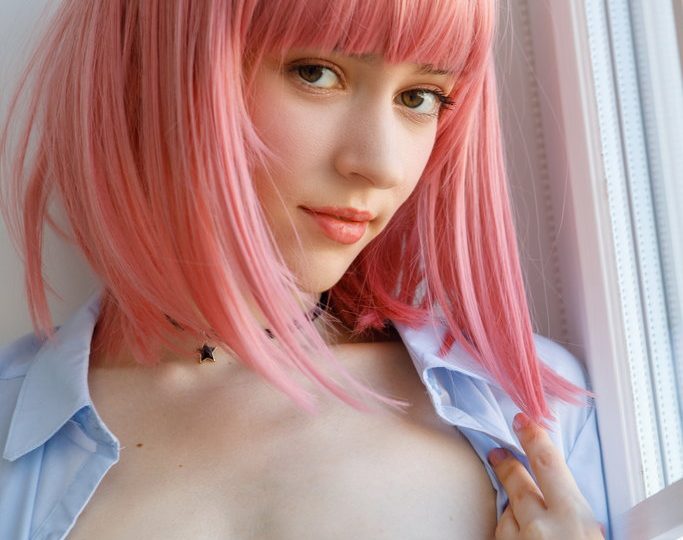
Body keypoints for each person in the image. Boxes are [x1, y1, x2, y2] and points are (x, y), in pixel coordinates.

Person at [0, 0, 610, 538]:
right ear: (156, 71)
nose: (381, 164)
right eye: (316, 73)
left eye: (420, 97)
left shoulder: (536, 412)